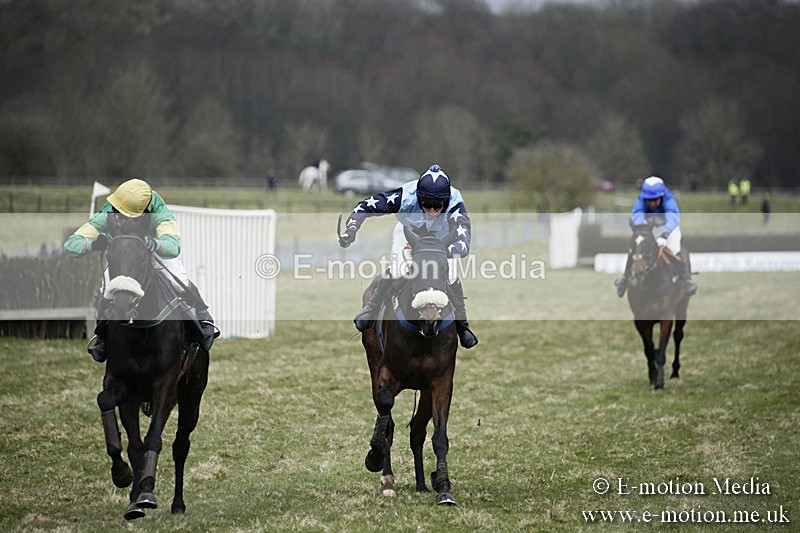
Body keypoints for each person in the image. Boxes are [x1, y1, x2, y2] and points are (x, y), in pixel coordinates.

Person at [64, 178, 219, 362]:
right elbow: (70, 245)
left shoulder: (158, 210)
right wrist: (92, 244)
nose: (119, 216)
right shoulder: (111, 208)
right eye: (118, 212)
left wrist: (152, 243)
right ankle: (102, 338)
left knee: (179, 282)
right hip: (124, 254)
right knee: (106, 291)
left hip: (156, 250)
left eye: (125, 214)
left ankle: (204, 319)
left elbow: (173, 247)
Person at [338, 164, 478, 349]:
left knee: (450, 276)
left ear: (447, 200)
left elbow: (463, 242)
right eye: (426, 205)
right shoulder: (405, 196)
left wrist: (439, 254)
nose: (432, 211)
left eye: (438, 206)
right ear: (418, 198)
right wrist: (352, 229)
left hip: (441, 242)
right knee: (398, 270)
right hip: (408, 235)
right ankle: (371, 309)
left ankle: (463, 327)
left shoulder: (455, 203)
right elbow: (365, 206)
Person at [615, 176, 697, 298]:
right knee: (635, 250)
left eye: (655, 200)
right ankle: (624, 279)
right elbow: (637, 214)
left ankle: (686, 280)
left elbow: (672, 217)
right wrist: (642, 229)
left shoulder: (669, 199)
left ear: (662, 196)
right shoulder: (641, 199)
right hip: (649, 228)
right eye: (649, 200)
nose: (652, 203)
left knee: (675, 250)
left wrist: (665, 235)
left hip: (668, 228)